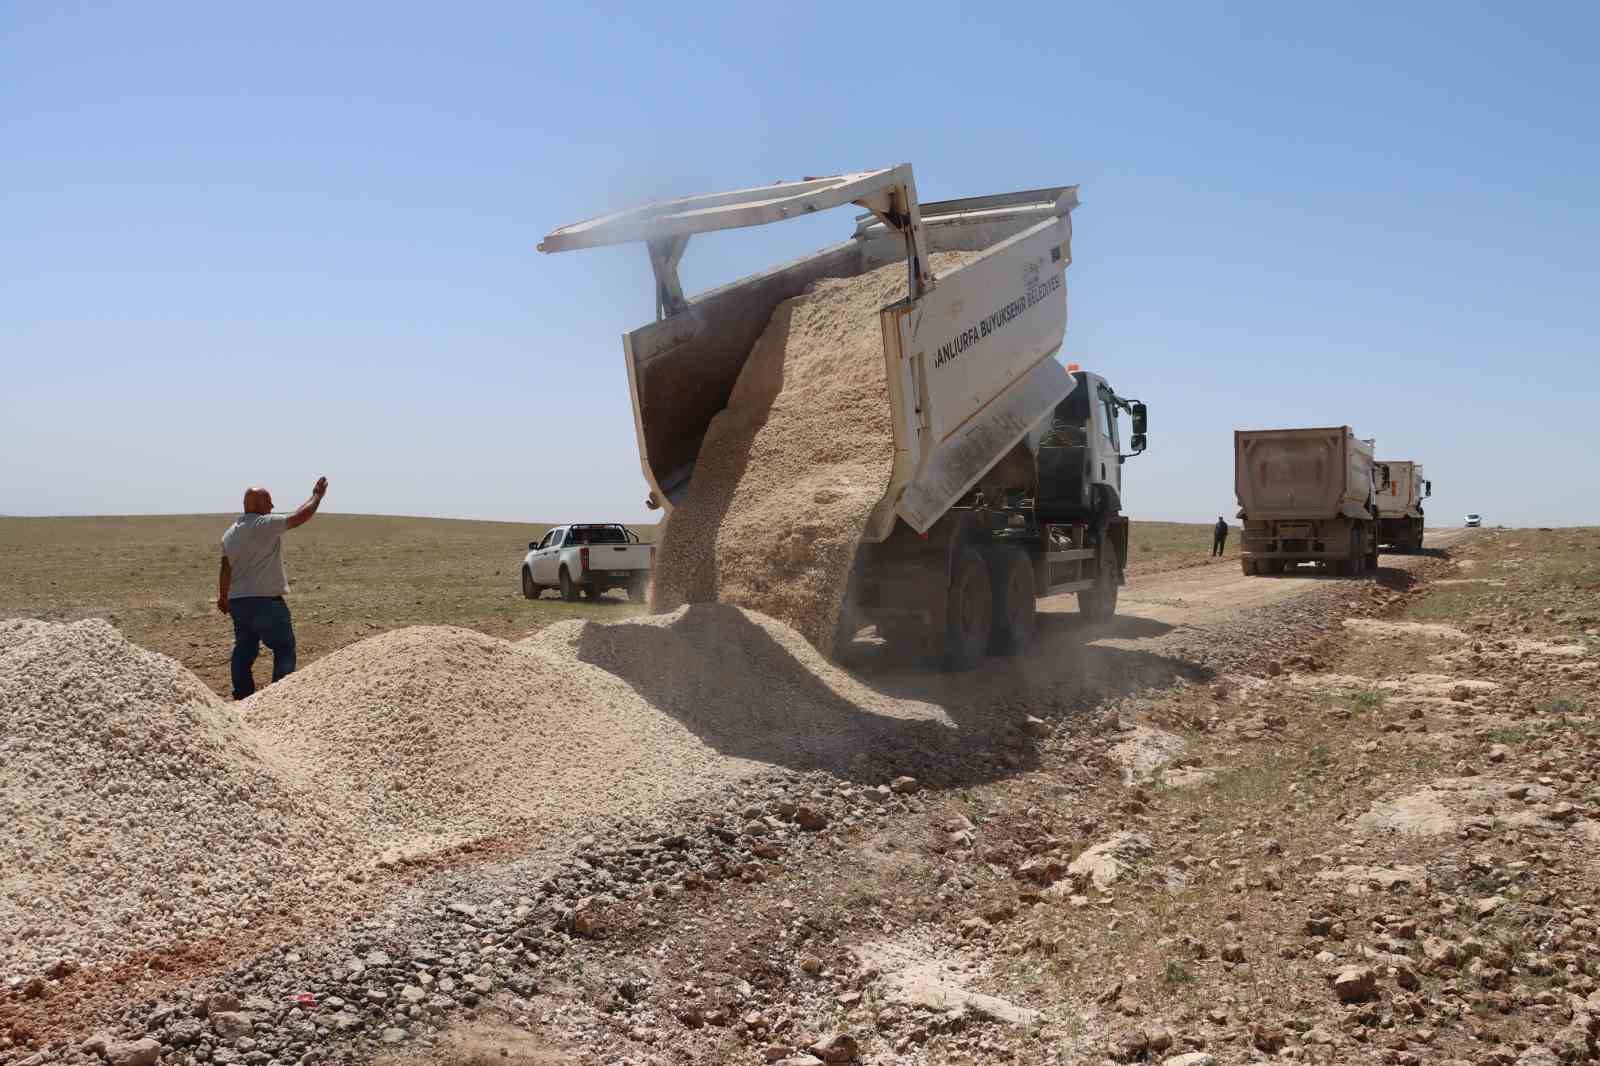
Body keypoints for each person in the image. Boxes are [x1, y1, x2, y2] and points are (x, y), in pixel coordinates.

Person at [217, 477, 328, 699]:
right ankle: (280, 698)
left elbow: (225, 568)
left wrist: (223, 597)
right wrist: (317, 496)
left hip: (239, 601)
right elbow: (299, 517)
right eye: (268, 502)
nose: (272, 507)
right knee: (284, 647)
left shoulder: (230, 533)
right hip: (266, 602)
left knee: (244, 650)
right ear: (257, 505)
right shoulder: (263, 524)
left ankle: (242, 696)